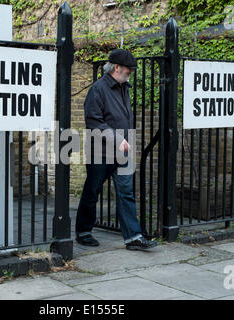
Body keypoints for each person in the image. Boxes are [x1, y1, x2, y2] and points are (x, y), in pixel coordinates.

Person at [75, 49, 159, 251]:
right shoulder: (98, 89)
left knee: (126, 193)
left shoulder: (123, 87)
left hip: (122, 153)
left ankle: (133, 237)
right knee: (92, 192)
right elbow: (94, 121)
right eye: (128, 69)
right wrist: (118, 138)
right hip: (100, 152)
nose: (131, 72)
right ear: (116, 67)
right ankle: (83, 231)